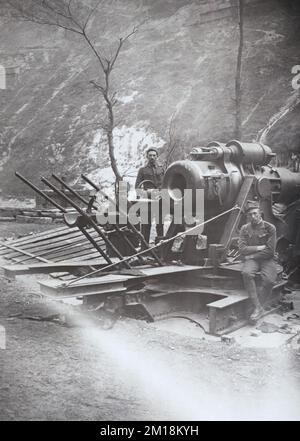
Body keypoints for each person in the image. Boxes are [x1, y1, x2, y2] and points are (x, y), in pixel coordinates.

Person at [238, 201, 277, 322]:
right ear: (247, 216)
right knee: (246, 273)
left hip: (265, 259)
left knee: (269, 280)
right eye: (250, 215)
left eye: (255, 213)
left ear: (260, 213)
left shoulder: (270, 228)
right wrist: (259, 248)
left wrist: (252, 256)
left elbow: (270, 251)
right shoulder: (244, 229)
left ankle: (260, 304)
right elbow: (242, 249)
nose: (253, 217)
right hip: (252, 260)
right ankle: (258, 307)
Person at [135, 148, 165, 248]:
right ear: (147, 156)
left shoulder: (161, 169)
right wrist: (147, 193)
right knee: (146, 225)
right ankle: (144, 247)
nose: (152, 157)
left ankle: (160, 247)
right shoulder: (142, 170)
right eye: (150, 155)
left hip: (160, 200)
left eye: (154, 155)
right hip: (147, 201)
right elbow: (137, 187)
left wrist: (161, 193)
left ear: (157, 156)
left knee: (160, 224)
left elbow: (166, 184)